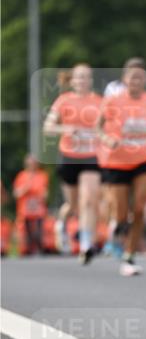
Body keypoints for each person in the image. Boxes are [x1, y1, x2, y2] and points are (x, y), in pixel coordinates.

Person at [99, 62, 146, 275]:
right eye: (131, 78)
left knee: (139, 208)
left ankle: (129, 254)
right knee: (120, 213)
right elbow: (97, 128)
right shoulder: (112, 101)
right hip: (117, 161)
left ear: (145, 81)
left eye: (140, 78)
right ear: (124, 80)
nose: (135, 82)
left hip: (143, 159)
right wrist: (106, 139)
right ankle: (116, 228)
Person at [43, 63, 103, 264]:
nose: (82, 81)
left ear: (91, 80)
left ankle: (86, 244)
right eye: (78, 77)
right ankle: (61, 224)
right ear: (72, 80)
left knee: (88, 200)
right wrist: (66, 129)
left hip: (92, 156)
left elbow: (108, 126)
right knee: (73, 204)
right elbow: (48, 127)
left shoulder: (99, 102)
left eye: (86, 77)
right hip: (69, 156)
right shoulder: (63, 100)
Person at [13, 155, 49, 255]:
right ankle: (28, 250)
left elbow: (45, 192)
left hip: (38, 209)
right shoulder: (21, 176)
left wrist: (43, 195)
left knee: (38, 231)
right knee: (26, 232)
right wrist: (26, 188)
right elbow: (16, 193)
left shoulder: (42, 175)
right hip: (25, 210)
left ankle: (40, 249)